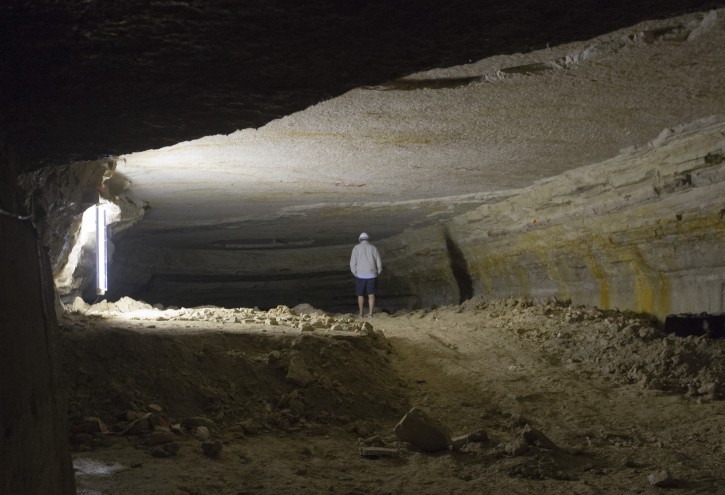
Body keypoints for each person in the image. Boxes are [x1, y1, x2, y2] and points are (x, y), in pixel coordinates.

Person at [350, 232, 382, 317]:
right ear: (368, 239)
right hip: (372, 274)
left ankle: (361, 313)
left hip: (360, 275)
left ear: (360, 239)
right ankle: (370, 313)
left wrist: (355, 272)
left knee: (360, 294)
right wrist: (378, 271)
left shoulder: (356, 248)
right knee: (371, 294)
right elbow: (378, 260)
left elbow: (352, 262)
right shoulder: (373, 248)